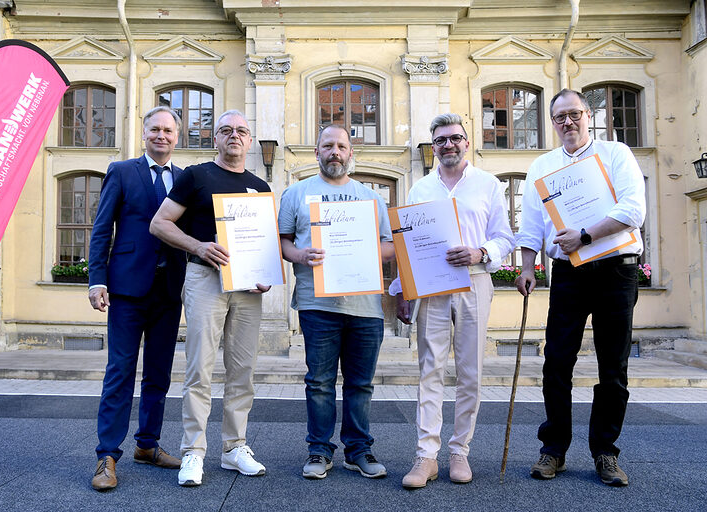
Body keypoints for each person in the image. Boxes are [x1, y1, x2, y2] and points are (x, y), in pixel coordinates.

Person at [515, 89, 646, 487]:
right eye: (559, 117)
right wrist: (525, 268)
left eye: (574, 114)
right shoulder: (543, 165)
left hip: (616, 272)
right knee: (556, 363)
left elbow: (633, 210)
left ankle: (605, 452)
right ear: (552, 122)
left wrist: (585, 236)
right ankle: (553, 449)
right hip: (568, 273)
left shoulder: (616, 154)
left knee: (613, 367)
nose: (567, 123)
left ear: (588, 115)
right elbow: (532, 223)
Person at [150, 110, 271, 487]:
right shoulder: (196, 176)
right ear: (214, 138)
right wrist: (199, 247)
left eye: (241, 131)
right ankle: (193, 452)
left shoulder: (260, 187)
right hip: (204, 278)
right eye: (226, 130)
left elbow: (264, 242)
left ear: (249, 141)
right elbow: (160, 223)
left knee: (242, 371)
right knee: (199, 369)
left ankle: (234, 448)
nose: (234, 136)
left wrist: (264, 274)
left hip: (247, 289)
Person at [393, 114, 515, 488]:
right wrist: (402, 288)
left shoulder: (488, 185)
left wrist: (480, 252)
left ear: (466, 141)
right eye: (441, 140)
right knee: (430, 369)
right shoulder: (420, 189)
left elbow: (506, 238)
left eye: (455, 138)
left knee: (470, 373)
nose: (449, 145)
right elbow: (408, 245)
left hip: (475, 282)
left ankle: (459, 450)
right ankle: (426, 456)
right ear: (433, 147)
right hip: (431, 287)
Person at [277, 124, 395, 480]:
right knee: (320, 382)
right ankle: (319, 451)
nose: (335, 152)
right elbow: (282, 242)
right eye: (327, 146)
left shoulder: (371, 197)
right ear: (316, 153)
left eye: (341, 146)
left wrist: (363, 250)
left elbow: (390, 246)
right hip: (317, 304)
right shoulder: (296, 194)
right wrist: (300, 254)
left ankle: (358, 450)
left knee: (361, 383)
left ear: (350, 153)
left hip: (365, 307)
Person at [88, 106, 187, 491]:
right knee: (120, 372)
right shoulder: (122, 171)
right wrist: (97, 280)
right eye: (155, 129)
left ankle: (147, 445)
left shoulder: (184, 179)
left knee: (159, 373)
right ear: (144, 133)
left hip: (168, 292)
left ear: (177, 137)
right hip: (127, 290)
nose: (161, 135)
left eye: (168, 130)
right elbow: (101, 229)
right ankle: (107, 456)